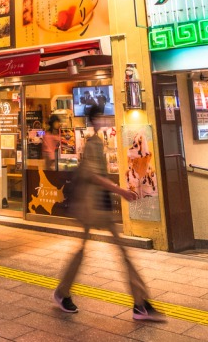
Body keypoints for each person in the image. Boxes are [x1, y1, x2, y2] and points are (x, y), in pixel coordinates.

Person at [53, 104, 163, 322]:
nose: (104, 121)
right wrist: (120, 190)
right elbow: (94, 176)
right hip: (91, 205)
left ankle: (139, 302)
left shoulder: (96, 142)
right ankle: (63, 292)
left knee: (108, 251)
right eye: (101, 117)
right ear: (94, 120)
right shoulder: (94, 143)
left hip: (97, 204)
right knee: (104, 251)